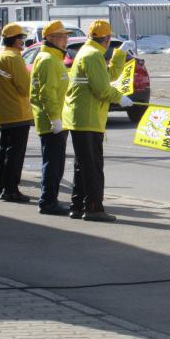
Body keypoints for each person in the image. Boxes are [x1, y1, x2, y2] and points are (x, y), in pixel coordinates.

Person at [63, 20, 134, 222]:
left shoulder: (88, 52)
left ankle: (77, 206)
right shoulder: (93, 55)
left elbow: (108, 75)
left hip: (82, 116)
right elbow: (103, 89)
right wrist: (120, 98)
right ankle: (93, 208)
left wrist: (120, 54)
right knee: (93, 166)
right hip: (88, 117)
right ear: (107, 39)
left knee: (82, 165)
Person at [30, 21, 73, 215]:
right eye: (61, 36)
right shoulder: (48, 59)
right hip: (52, 121)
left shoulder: (52, 58)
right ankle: (48, 202)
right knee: (53, 163)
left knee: (55, 162)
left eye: (65, 36)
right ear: (49, 39)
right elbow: (47, 93)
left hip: (55, 119)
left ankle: (49, 199)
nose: (65, 40)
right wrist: (55, 118)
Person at [0, 23, 34, 202]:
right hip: (18, 112)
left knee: (4, 152)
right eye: (21, 38)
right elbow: (24, 87)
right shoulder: (14, 58)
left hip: (3, 112)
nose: (23, 41)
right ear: (15, 40)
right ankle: (10, 190)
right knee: (15, 154)